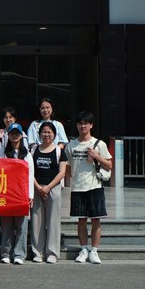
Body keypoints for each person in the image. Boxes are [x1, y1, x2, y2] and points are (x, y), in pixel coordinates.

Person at [66, 111, 112, 265]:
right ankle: (84, 249)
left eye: (86, 123)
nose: (83, 126)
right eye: (80, 123)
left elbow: (109, 165)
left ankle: (94, 250)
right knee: (81, 220)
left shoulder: (99, 144)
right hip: (78, 187)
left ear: (91, 125)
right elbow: (67, 168)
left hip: (95, 186)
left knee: (96, 220)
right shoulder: (71, 146)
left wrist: (97, 156)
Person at [30, 121, 68, 264]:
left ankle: (52, 252)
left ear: (54, 135)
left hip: (53, 189)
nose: (46, 135)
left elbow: (62, 172)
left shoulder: (59, 151)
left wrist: (48, 187)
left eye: (49, 132)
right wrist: (38, 187)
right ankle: (37, 252)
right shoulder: (33, 150)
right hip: (36, 188)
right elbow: (29, 170)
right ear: (39, 134)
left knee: (53, 221)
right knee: (36, 221)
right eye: (44, 132)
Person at [0, 123, 34, 265]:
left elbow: (30, 174)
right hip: (7, 193)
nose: (14, 135)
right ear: (8, 135)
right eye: (12, 133)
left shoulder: (27, 154)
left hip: (21, 194)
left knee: (21, 226)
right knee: (7, 225)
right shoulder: (3, 153)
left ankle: (19, 254)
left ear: (21, 135)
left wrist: (30, 195)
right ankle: (6, 253)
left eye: (17, 133)